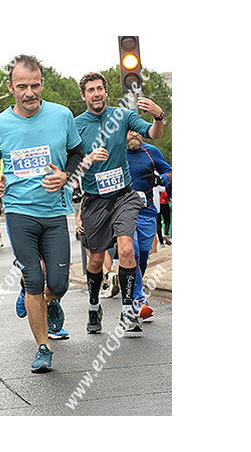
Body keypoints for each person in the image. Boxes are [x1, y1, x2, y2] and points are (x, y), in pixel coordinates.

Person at [0, 54, 85, 373]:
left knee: (59, 283)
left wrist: (67, 175)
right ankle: (43, 347)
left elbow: (76, 153)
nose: (30, 93)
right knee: (34, 279)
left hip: (54, 212)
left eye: (35, 85)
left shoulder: (62, 115)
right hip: (18, 212)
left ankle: (47, 300)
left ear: (42, 84)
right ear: (10, 87)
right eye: (22, 86)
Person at [75, 71, 164, 337]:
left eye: (99, 88)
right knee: (96, 259)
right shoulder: (76, 125)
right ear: (84, 95)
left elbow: (153, 134)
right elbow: (69, 165)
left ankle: (128, 310)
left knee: (126, 249)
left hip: (123, 195)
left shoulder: (122, 116)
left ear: (106, 91)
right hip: (94, 200)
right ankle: (94, 306)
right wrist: (88, 159)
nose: (96, 94)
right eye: (91, 90)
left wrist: (158, 116)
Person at [126, 130, 172, 321]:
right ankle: (138, 300)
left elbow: (169, 171)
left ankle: (128, 281)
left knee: (144, 254)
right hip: (123, 212)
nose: (134, 134)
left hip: (147, 211)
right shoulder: (115, 151)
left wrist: (161, 179)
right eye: (130, 131)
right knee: (133, 250)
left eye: (137, 131)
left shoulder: (150, 151)